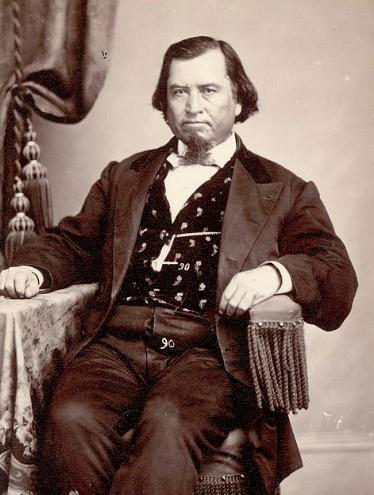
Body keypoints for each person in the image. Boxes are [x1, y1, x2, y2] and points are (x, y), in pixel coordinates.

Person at [0, 36, 357, 495]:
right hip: (116, 347)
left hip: (210, 354)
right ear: (163, 104)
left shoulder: (283, 187)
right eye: (178, 91)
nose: (192, 105)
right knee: (72, 419)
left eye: (208, 90)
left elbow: (336, 273)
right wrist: (34, 270)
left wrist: (274, 273)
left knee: (167, 426)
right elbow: (72, 243)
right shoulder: (124, 176)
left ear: (239, 98)